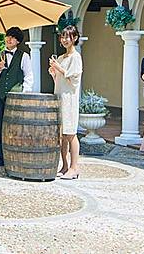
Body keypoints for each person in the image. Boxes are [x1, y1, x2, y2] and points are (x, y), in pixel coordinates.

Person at [0, 26, 33, 167]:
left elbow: (29, 77)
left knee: (15, 127)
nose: (9, 39)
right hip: (0, 96)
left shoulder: (24, 56)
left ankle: (15, 156)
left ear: (17, 41)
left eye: (12, 37)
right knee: (0, 126)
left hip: (15, 98)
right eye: (8, 36)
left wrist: (23, 94)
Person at [50, 25, 83, 180]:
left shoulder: (76, 57)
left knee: (71, 134)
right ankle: (64, 166)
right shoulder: (61, 58)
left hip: (69, 100)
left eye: (67, 37)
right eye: (62, 37)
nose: (64, 40)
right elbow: (60, 81)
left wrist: (60, 69)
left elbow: (74, 79)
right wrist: (54, 73)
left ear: (74, 38)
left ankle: (74, 167)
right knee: (62, 135)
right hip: (59, 98)